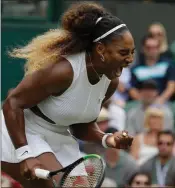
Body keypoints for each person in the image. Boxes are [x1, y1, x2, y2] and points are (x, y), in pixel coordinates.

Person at [1, 2, 134, 188]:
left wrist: (107, 138)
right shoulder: (62, 72)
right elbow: (12, 104)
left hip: (60, 137)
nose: (130, 59)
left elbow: (80, 126)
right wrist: (25, 154)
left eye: (132, 53)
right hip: (21, 131)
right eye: (123, 52)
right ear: (101, 50)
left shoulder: (110, 82)